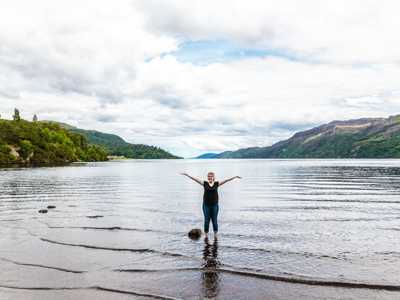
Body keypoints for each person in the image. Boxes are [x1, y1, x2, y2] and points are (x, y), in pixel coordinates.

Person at [181, 172, 241, 237]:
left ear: (213, 177)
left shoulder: (216, 184)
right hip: (206, 205)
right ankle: (206, 235)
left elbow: (226, 180)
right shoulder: (205, 183)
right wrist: (187, 175)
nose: (210, 177)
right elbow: (195, 179)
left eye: (211, 176)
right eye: (208, 176)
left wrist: (234, 177)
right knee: (206, 220)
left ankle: (215, 235)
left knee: (214, 220)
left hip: (214, 205)